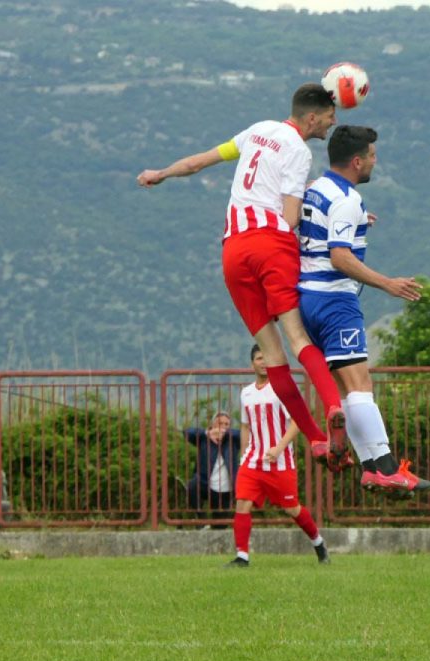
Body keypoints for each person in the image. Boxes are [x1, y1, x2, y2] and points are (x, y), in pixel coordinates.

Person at [137, 83, 349, 470]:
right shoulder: (298, 150)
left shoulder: (257, 131)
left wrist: (161, 173)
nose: (335, 121)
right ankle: (334, 406)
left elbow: (199, 161)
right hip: (271, 244)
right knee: (299, 337)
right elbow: (288, 217)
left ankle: (318, 441)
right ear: (313, 117)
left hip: (233, 249)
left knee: (271, 355)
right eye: (331, 116)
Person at [297, 125, 430, 495]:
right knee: (361, 388)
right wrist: (387, 283)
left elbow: (314, 229)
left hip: (307, 299)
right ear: (357, 161)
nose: (375, 161)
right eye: (372, 155)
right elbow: (339, 257)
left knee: (346, 391)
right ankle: (386, 467)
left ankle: (372, 465)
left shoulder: (315, 189)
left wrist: (357, 222)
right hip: (335, 301)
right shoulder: (346, 200)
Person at [225, 344, 330, 567]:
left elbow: (296, 422)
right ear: (252, 363)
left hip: (280, 461)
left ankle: (318, 542)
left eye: (266, 358)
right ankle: (242, 557)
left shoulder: (281, 389)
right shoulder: (246, 393)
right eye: (259, 358)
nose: (263, 362)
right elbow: (245, 426)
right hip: (253, 460)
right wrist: (244, 455)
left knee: (292, 508)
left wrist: (279, 448)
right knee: (242, 503)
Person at [184, 412, 241, 527]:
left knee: (220, 527)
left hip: (226, 491)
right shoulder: (204, 438)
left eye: (227, 424)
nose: (224, 426)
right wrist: (207, 433)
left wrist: (224, 432)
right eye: (220, 424)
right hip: (206, 485)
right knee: (193, 485)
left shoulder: (233, 440)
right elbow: (187, 432)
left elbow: (244, 435)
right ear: (213, 425)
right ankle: (201, 519)